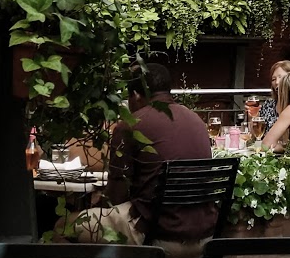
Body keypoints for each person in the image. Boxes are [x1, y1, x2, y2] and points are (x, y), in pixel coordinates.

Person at [74, 62, 212, 246]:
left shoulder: (132, 125)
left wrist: (97, 201)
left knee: (63, 228)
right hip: (204, 235)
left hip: (157, 235)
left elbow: (116, 196)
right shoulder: (196, 120)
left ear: (136, 95)